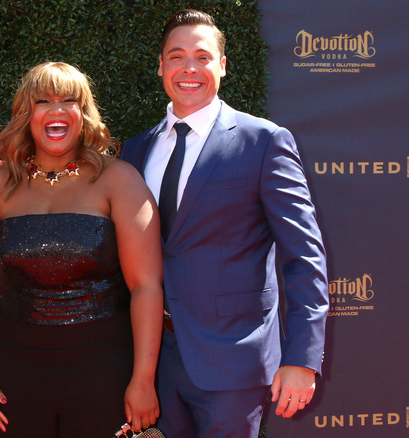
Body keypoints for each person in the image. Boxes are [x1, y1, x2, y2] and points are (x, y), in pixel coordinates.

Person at [121, 9, 330, 437]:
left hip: (234, 362)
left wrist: (302, 358)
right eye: (176, 57)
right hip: (153, 362)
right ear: (160, 66)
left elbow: (304, 257)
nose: (189, 68)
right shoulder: (136, 151)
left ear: (223, 65)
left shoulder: (265, 142)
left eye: (202, 56)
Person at [0, 62, 164, 437]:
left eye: (69, 100)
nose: (56, 110)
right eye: (43, 101)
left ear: (83, 114)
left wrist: (143, 379)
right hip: (14, 374)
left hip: (105, 370)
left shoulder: (119, 179)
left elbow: (146, 286)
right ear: (27, 114)